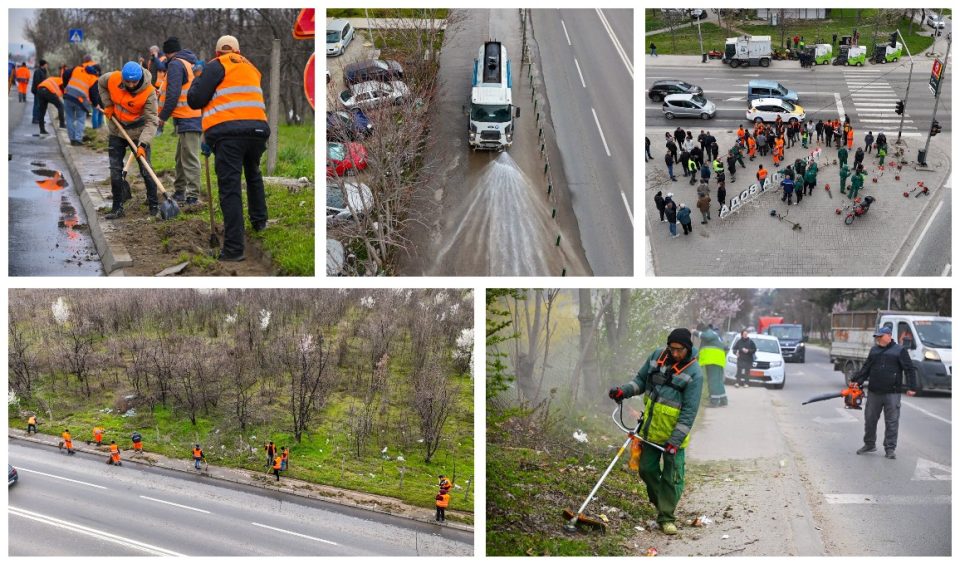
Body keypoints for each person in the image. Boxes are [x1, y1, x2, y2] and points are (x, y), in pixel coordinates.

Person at [608, 328, 703, 535]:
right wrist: (624, 390)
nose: (676, 353)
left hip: (673, 437)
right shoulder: (656, 357)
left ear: (687, 348)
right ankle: (663, 503)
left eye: (680, 350)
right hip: (650, 430)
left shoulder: (694, 373)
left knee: (672, 477)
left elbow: (689, 412)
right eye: (672, 348)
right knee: (646, 469)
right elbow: (640, 381)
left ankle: (666, 518)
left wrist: (675, 440)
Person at [188, 35, 271, 262]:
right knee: (253, 174)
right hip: (258, 131)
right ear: (238, 51)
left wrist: (197, 76)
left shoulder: (216, 66)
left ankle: (234, 249)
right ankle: (259, 221)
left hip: (229, 136)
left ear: (217, 53)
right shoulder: (252, 68)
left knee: (230, 188)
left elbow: (195, 99)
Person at [98, 61, 160, 219]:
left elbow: (152, 121)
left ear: (139, 78)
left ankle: (154, 206)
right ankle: (117, 207)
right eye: (128, 81)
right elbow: (101, 83)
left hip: (138, 132)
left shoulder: (149, 92)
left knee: (146, 170)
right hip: (117, 129)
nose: (131, 85)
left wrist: (143, 144)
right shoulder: (112, 78)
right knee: (115, 168)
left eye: (134, 81)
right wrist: (108, 105)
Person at [851, 326, 917, 460]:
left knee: (892, 421)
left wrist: (912, 387)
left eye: (880, 336)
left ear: (888, 336)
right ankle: (869, 444)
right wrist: (857, 381)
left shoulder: (899, 350)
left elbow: (909, 369)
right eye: (877, 337)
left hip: (892, 393)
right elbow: (866, 368)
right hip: (874, 392)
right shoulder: (874, 350)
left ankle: (890, 448)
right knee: (870, 420)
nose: (878, 339)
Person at [157, 37, 203, 205]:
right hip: (191, 116)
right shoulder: (190, 62)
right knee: (181, 157)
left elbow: (173, 94)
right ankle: (180, 191)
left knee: (189, 158)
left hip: (188, 116)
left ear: (168, 53)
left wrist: (162, 117)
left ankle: (192, 195)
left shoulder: (176, 64)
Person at [63, 55, 102, 146]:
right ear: (97, 72)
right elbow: (93, 93)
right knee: (81, 119)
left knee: (69, 118)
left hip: (68, 96)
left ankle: (72, 139)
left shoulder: (77, 68)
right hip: (80, 100)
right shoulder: (93, 78)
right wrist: (96, 104)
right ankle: (77, 139)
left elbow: (65, 74)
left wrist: (66, 86)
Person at [698, 324, 728, 407]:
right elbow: (725, 346)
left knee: (713, 381)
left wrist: (695, 332)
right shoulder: (716, 335)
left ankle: (714, 401)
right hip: (718, 360)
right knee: (718, 381)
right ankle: (723, 400)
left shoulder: (709, 333)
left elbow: (706, 336)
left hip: (713, 360)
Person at [30, 59, 49, 124]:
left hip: (41, 91)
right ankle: (35, 119)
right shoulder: (38, 71)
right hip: (38, 91)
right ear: (43, 65)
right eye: (46, 64)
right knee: (37, 105)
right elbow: (37, 82)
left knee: (40, 105)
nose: (47, 65)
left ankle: (39, 119)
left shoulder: (43, 71)